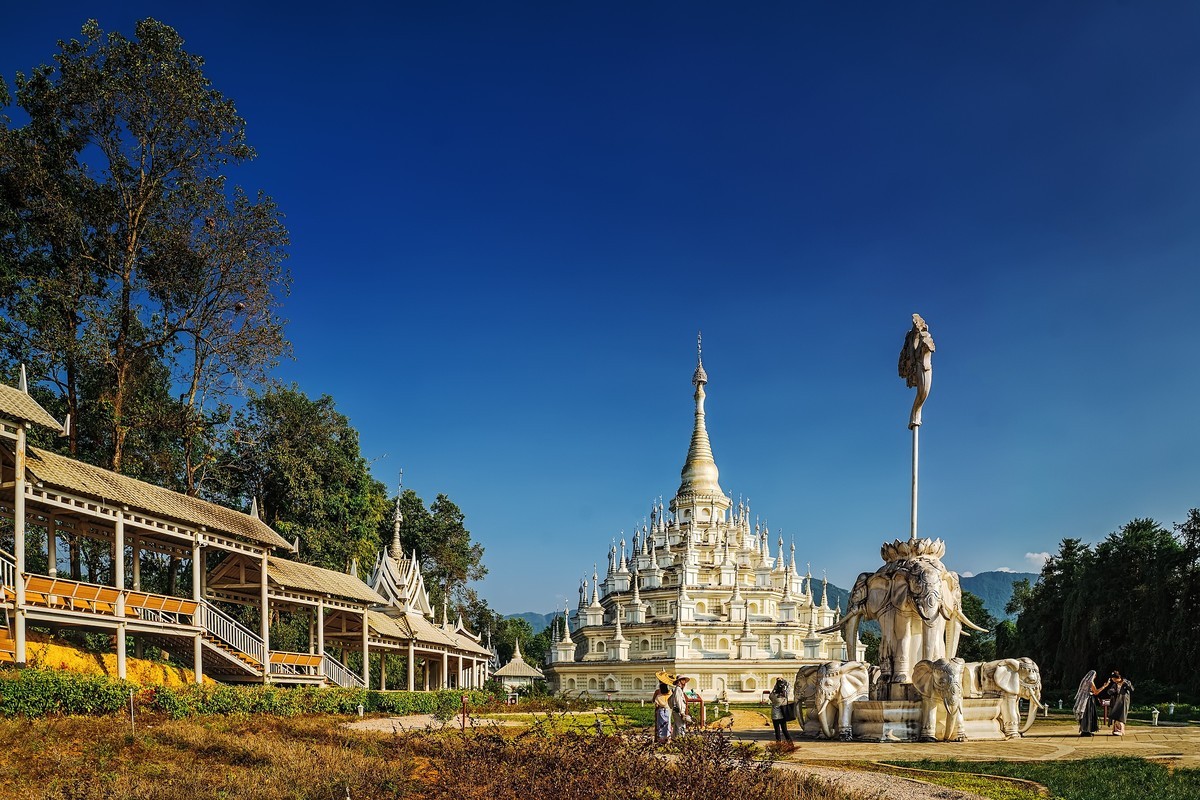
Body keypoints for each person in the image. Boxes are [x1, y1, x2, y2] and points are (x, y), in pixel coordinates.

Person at [1102, 671, 1134, 736]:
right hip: (1115, 701)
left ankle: (1121, 730)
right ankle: (1115, 730)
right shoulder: (1115, 684)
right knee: (1115, 715)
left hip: (1124, 701)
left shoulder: (1126, 682)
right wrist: (1112, 691)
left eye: (1113, 679)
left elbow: (1132, 689)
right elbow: (1109, 691)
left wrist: (1127, 684)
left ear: (1117, 677)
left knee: (1121, 716)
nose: (1113, 680)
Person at [1074, 670, 1102, 736]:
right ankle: (1087, 730)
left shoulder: (1084, 681)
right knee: (1088, 715)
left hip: (1082, 700)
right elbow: (1096, 692)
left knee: (1084, 714)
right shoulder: (1090, 682)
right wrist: (1105, 686)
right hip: (1088, 700)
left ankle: (1084, 730)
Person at [768, 677, 794, 747]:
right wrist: (783, 680)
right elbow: (789, 685)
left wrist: (776, 685)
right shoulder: (784, 695)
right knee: (785, 730)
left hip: (775, 715)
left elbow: (773, 691)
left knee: (777, 731)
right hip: (782, 715)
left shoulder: (772, 696)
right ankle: (790, 744)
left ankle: (778, 745)